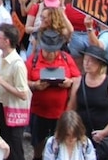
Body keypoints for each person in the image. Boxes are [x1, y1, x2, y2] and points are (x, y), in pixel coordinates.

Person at [27, 28, 81, 160]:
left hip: (61, 113)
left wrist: (69, 81)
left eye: (54, 50)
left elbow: (78, 78)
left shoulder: (66, 58)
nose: (51, 54)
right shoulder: (33, 60)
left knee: (62, 143)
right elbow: (23, 81)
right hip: (39, 112)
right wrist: (35, 85)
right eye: (47, 50)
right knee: (38, 143)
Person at [68, 45, 108, 160]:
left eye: (91, 61)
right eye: (85, 60)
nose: (87, 63)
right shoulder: (79, 82)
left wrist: (105, 132)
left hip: (102, 136)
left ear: (100, 64)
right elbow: (71, 108)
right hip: (81, 134)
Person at [0, 22, 30, 160]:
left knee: (15, 147)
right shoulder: (2, 57)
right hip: (2, 105)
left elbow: (23, 93)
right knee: (3, 142)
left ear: (7, 41)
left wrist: (0, 81)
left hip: (15, 110)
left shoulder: (17, 64)